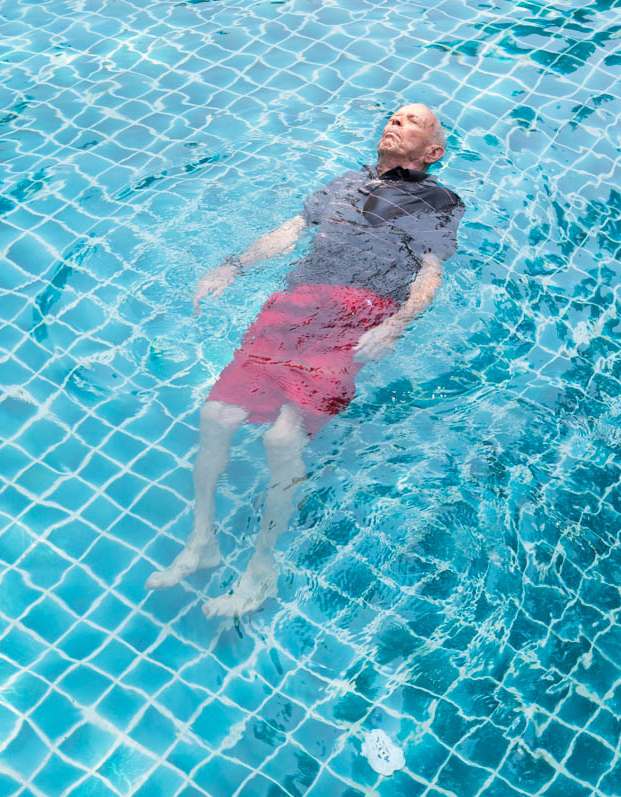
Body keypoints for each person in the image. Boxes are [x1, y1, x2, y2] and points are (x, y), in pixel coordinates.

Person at [146, 103, 465, 617]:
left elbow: (431, 271)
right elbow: (289, 231)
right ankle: (202, 541)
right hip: (295, 302)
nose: (394, 122)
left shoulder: (438, 200)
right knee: (216, 416)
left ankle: (262, 568)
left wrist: (396, 324)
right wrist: (233, 265)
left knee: (281, 438)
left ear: (434, 152)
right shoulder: (343, 183)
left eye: (411, 121)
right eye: (393, 116)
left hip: (360, 309)